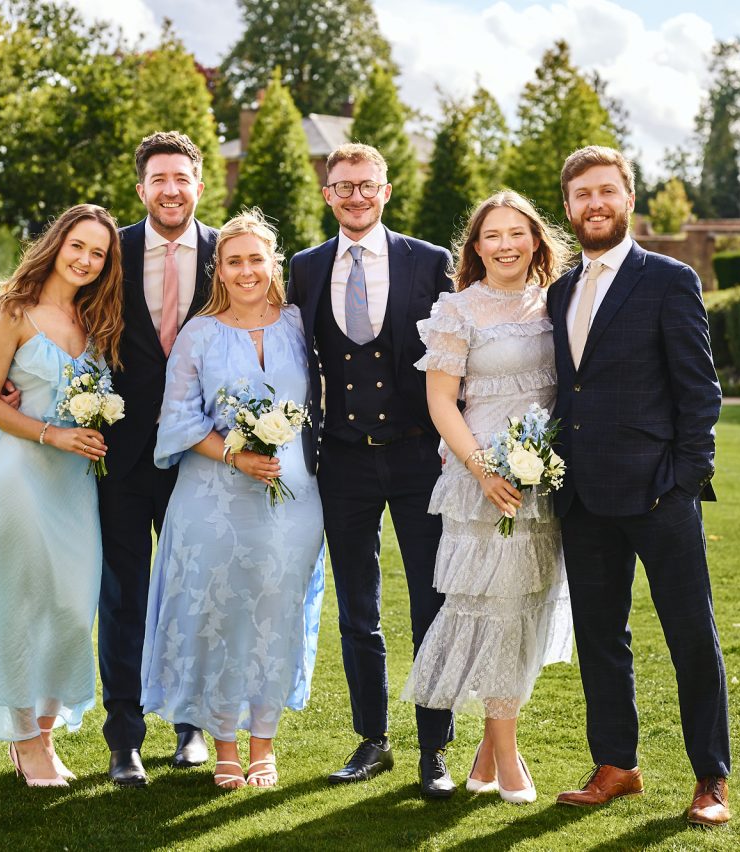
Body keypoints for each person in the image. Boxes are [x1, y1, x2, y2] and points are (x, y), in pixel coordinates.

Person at [546, 146, 731, 826]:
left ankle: (710, 779)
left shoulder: (668, 280)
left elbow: (699, 391)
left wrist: (685, 479)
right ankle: (616, 765)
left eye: (605, 191)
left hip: (660, 494)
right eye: (581, 195)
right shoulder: (560, 290)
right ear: (567, 208)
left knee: (690, 633)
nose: (593, 204)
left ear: (629, 197)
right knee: (600, 635)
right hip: (584, 497)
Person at [0, 204, 123, 788]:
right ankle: (27, 741)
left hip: (75, 488)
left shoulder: (97, 320)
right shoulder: (14, 312)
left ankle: (47, 727)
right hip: (19, 479)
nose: (85, 260)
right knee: (18, 607)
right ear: (56, 245)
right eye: (77, 246)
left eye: (98, 253)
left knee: (68, 607)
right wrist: (52, 432)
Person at [287, 143, 456, 798]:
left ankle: (434, 749)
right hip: (343, 460)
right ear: (328, 194)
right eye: (343, 186)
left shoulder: (429, 261)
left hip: (420, 455)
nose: (355, 196)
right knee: (358, 607)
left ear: (386, 192)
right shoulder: (304, 268)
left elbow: (457, 351)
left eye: (366, 185)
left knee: (431, 603)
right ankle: (372, 740)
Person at [140, 210, 325, 790]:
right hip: (212, 497)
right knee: (219, 617)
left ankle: (264, 744)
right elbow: (176, 420)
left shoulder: (300, 323)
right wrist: (235, 455)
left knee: (277, 615)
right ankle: (223, 743)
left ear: (274, 263)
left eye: (256, 259)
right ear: (218, 269)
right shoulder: (200, 332)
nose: (246, 271)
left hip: (293, 499)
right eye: (233, 261)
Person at [400, 191, 575, 804]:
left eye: (516, 233)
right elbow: (440, 400)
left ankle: (482, 754)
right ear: (475, 248)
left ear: (535, 239)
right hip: (483, 486)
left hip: (545, 484)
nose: (505, 244)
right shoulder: (457, 310)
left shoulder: (562, 301)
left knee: (527, 611)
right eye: (491, 235)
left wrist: (540, 467)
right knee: (497, 611)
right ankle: (506, 756)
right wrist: (481, 469)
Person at [95, 131, 218, 785]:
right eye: (158, 179)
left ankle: (190, 725)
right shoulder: (109, 249)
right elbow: (60, 311)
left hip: (202, 457)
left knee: (194, 593)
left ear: (200, 184)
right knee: (123, 599)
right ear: (141, 188)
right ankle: (124, 739)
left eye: (182, 178)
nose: (171, 190)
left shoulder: (231, 253)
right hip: (122, 456)